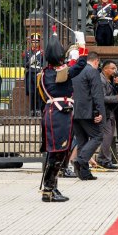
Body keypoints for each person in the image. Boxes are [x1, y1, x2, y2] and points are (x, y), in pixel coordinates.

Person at [38, 30, 87, 202]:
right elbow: (79, 65)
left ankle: (52, 188)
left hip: (59, 113)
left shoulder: (50, 72)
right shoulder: (55, 73)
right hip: (58, 115)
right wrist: (82, 45)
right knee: (57, 153)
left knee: (58, 153)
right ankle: (49, 190)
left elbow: (72, 67)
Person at [71, 51, 105, 180]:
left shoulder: (76, 71)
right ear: (96, 61)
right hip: (87, 111)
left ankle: (84, 173)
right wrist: (99, 112)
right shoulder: (92, 71)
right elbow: (97, 94)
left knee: (82, 141)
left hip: (75, 111)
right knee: (98, 136)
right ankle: (80, 160)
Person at [97, 60, 118, 170]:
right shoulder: (101, 80)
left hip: (111, 111)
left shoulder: (111, 79)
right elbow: (102, 98)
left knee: (109, 136)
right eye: (112, 68)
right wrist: (117, 98)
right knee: (107, 136)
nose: (115, 71)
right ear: (105, 69)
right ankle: (103, 160)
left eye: (115, 68)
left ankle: (104, 159)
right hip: (104, 112)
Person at [24, 33, 43, 116]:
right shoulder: (27, 53)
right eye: (34, 41)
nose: (35, 43)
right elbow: (24, 64)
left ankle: (38, 110)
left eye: (37, 41)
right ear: (31, 42)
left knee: (38, 92)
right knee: (31, 92)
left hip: (38, 73)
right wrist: (30, 61)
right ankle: (32, 110)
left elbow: (43, 64)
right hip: (30, 74)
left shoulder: (41, 53)